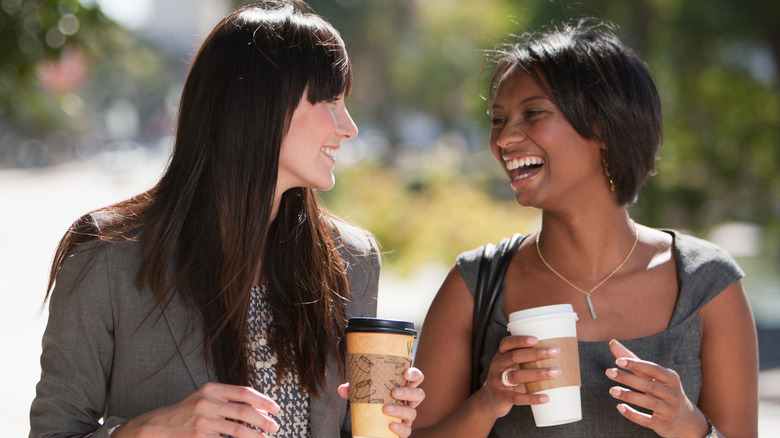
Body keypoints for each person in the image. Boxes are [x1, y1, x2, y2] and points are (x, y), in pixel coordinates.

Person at [29, 1, 424, 437]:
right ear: (262, 106)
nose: (348, 127)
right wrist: (152, 429)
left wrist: (388, 424)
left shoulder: (352, 259)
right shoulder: (107, 254)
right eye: (330, 100)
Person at [411, 21, 757, 438]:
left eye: (533, 113)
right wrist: (486, 404)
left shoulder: (706, 284)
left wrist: (693, 428)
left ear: (604, 127)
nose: (504, 138)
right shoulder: (475, 286)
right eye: (498, 120)